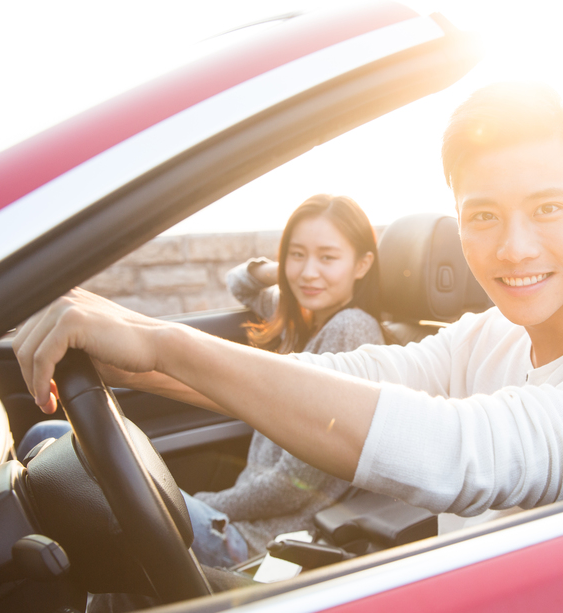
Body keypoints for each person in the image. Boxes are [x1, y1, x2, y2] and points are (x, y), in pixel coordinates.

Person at [13, 82, 563, 530]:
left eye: (548, 207)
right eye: (483, 216)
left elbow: (462, 452)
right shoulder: (488, 337)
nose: (514, 247)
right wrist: (131, 337)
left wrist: (166, 347)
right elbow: (344, 377)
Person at [19, 194, 385, 569]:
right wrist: (295, 274)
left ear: (362, 264)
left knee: (47, 441)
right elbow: (240, 282)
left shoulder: (350, 327)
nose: (309, 271)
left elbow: (292, 485)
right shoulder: (305, 316)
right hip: (238, 522)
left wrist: (210, 505)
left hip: (257, 541)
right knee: (52, 442)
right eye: (297, 254)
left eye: (328, 257)